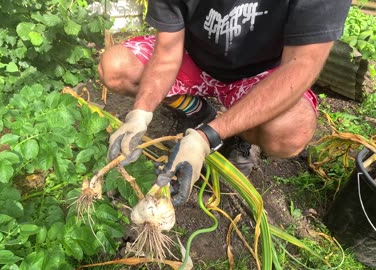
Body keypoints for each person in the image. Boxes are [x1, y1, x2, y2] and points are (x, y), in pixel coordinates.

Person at [98, 1, 351, 206]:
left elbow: (302, 64)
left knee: (289, 132)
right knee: (116, 68)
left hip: (261, 77)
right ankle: (197, 111)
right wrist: (140, 114)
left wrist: (206, 138)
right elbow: (166, 53)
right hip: (192, 57)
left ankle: (240, 133)